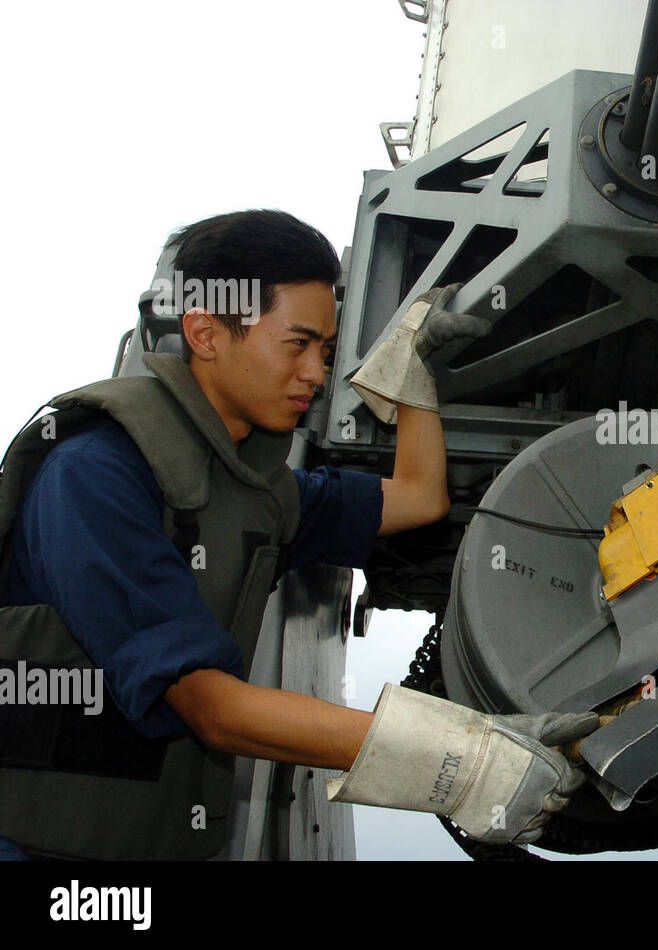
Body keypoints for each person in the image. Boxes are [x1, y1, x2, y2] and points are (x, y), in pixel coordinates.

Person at [0, 210, 595, 860]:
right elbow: (209, 705)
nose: (317, 374)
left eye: (327, 352)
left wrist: (411, 372)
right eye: (297, 344)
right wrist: (465, 757)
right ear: (205, 332)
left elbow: (419, 497)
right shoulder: (93, 475)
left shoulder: (261, 493)